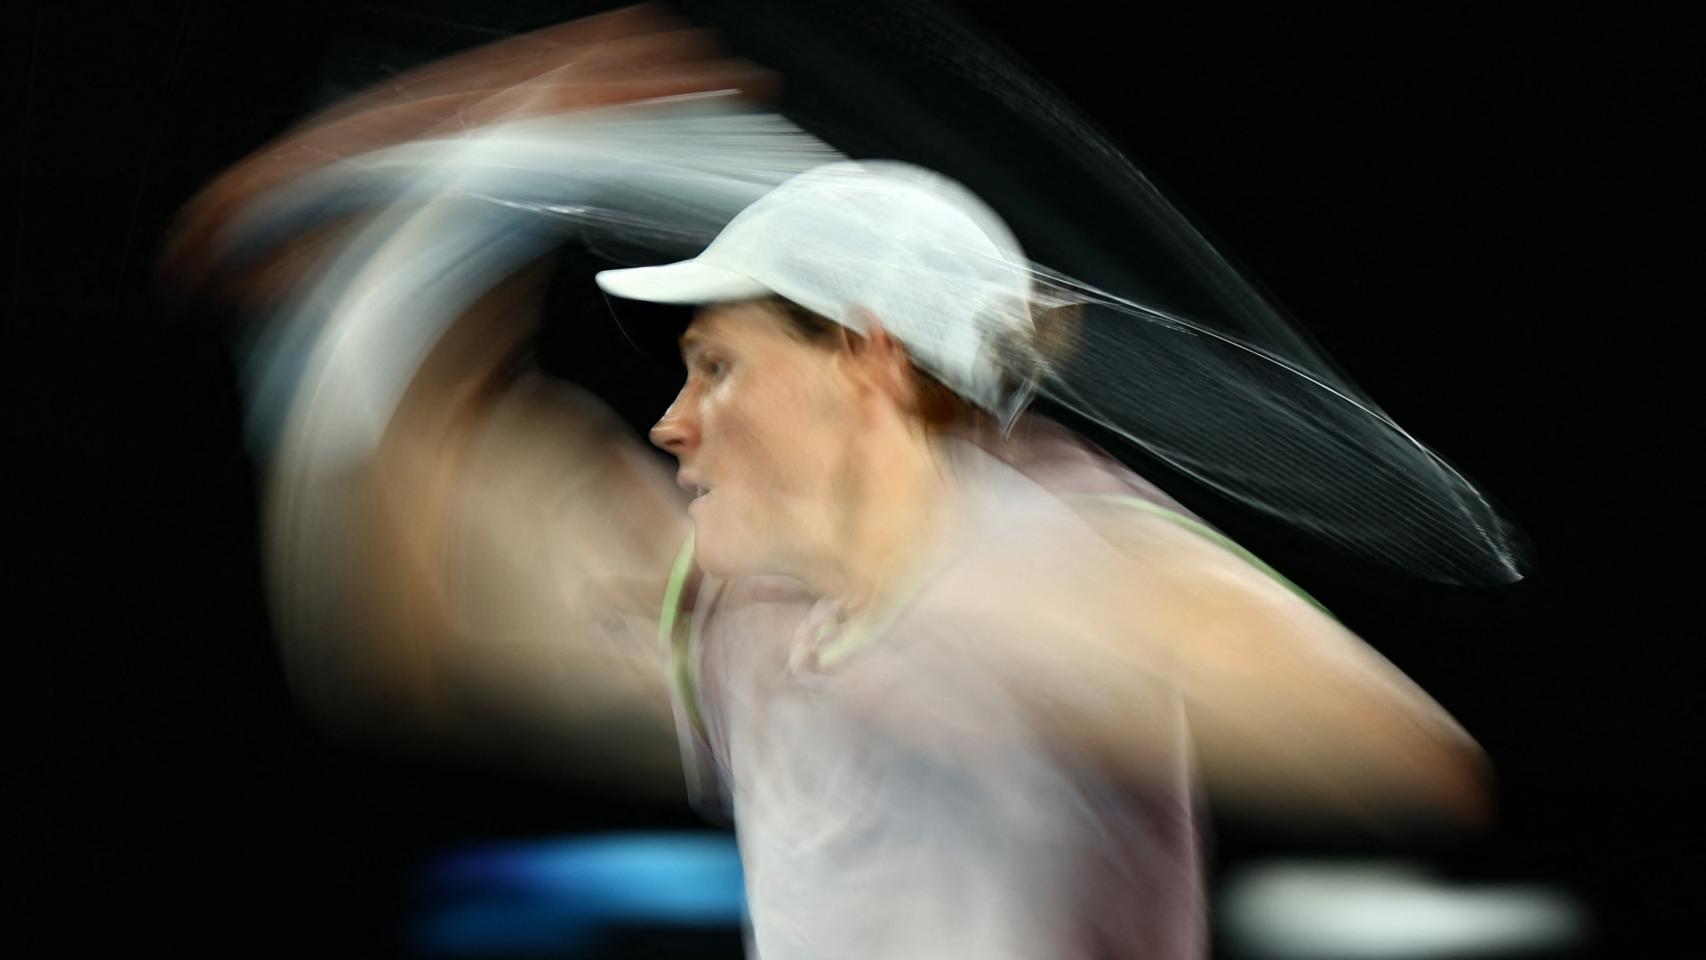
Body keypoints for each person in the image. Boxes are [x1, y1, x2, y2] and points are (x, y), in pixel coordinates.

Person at [170, 10, 1490, 957]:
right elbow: (411, 638)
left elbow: (1405, 754)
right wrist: (410, 269)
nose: (675, 424)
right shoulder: (752, 611)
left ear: (863, 356)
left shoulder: (1079, 545)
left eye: (718, 368)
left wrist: (998, 627)